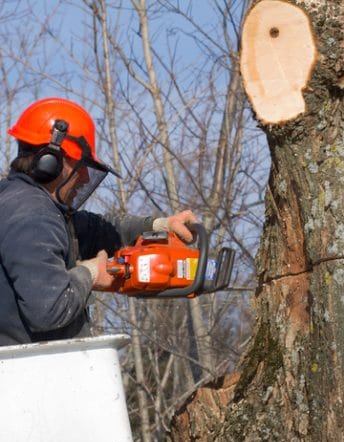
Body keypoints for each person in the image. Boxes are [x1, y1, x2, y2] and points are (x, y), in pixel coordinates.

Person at [0, 97, 197, 346]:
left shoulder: (18, 202)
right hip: (31, 375)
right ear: (49, 162)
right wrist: (90, 273)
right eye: (80, 165)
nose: (84, 177)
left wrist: (158, 226)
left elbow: (96, 230)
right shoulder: (33, 217)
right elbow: (49, 309)